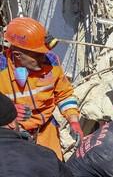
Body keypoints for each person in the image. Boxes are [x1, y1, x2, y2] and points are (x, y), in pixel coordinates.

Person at [0, 17, 83, 160]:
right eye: (37, 55)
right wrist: (7, 109)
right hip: (13, 135)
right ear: (17, 55)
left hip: (46, 132)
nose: (43, 59)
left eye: (44, 53)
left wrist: (73, 120)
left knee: (55, 172)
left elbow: (65, 95)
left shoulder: (52, 62)